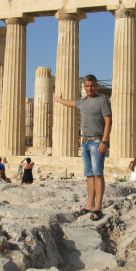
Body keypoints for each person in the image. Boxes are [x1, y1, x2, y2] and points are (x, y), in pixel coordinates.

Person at [53, 74, 112, 222]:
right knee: (89, 175)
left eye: (92, 86)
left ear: (96, 86)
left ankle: (98, 207)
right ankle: (90, 204)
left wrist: (104, 141)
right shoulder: (83, 102)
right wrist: (59, 100)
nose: (89, 88)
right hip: (85, 142)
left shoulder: (102, 101)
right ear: (84, 87)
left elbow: (108, 121)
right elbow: (72, 103)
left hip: (97, 141)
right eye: (87, 86)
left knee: (98, 174)